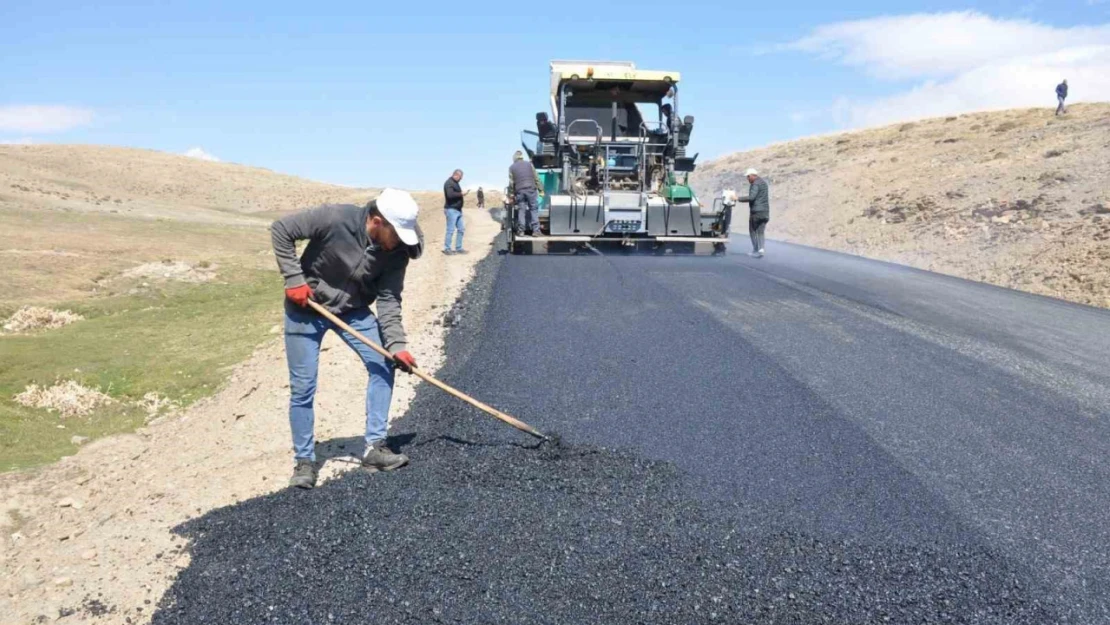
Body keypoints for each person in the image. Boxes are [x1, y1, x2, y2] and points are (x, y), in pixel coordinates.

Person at [270, 189, 423, 489]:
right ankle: (304, 462)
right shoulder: (335, 218)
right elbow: (281, 230)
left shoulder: (396, 252)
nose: (400, 243)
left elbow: (389, 299)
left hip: (352, 310)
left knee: (383, 363)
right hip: (306, 306)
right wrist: (294, 279)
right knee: (303, 386)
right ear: (377, 222)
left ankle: (374, 448)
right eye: (396, 235)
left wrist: (397, 346)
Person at [508, 151, 544, 236]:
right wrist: (541, 190)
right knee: (533, 209)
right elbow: (536, 178)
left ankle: (521, 231)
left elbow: (511, 183)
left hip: (520, 191)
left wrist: (511, 194)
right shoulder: (529, 164)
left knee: (521, 210)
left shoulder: (511, 167)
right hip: (531, 189)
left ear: (514, 159)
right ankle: (536, 231)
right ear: (521, 157)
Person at [737, 168, 770, 258]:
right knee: (761, 231)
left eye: (748, 177)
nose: (747, 179)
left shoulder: (755, 184)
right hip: (765, 212)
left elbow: (751, 197)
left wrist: (737, 198)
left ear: (752, 175)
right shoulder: (763, 183)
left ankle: (755, 249)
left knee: (752, 230)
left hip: (756, 212)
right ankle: (761, 249)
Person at [443, 169, 468, 254]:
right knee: (450, 230)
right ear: (456, 175)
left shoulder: (455, 183)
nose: (461, 179)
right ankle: (447, 248)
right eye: (460, 177)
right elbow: (450, 195)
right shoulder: (449, 183)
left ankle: (459, 248)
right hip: (451, 209)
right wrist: (461, 194)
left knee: (461, 229)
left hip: (458, 210)